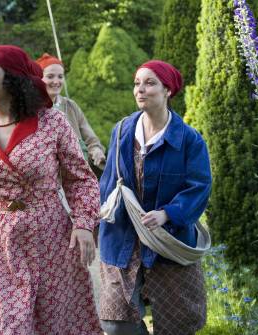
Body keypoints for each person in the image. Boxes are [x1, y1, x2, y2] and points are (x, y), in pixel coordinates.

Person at [0, 45, 102, 335]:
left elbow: (80, 179)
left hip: (50, 238)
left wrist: (84, 224)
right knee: (7, 327)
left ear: (12, 79)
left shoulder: (52, 123)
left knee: (57, 327)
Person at [98, 60, 212, 335]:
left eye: (150, 83)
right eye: (137, 83)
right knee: (115, 324)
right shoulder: (122, 131)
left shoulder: (189, 139)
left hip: (167, 241)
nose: (141, 89)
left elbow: (199, 186)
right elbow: (108, 183)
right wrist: (95, 221)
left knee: (177, 324)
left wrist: (168, 214)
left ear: (167, 90)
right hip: (122, 236)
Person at [36, 53, 106, 168]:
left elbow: (90, 137)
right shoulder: (31, 108)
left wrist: (96, 149)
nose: (56, 81)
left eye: (60, 76)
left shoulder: (70, 105)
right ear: (39, 79)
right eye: (50, 76)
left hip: (76, 171)